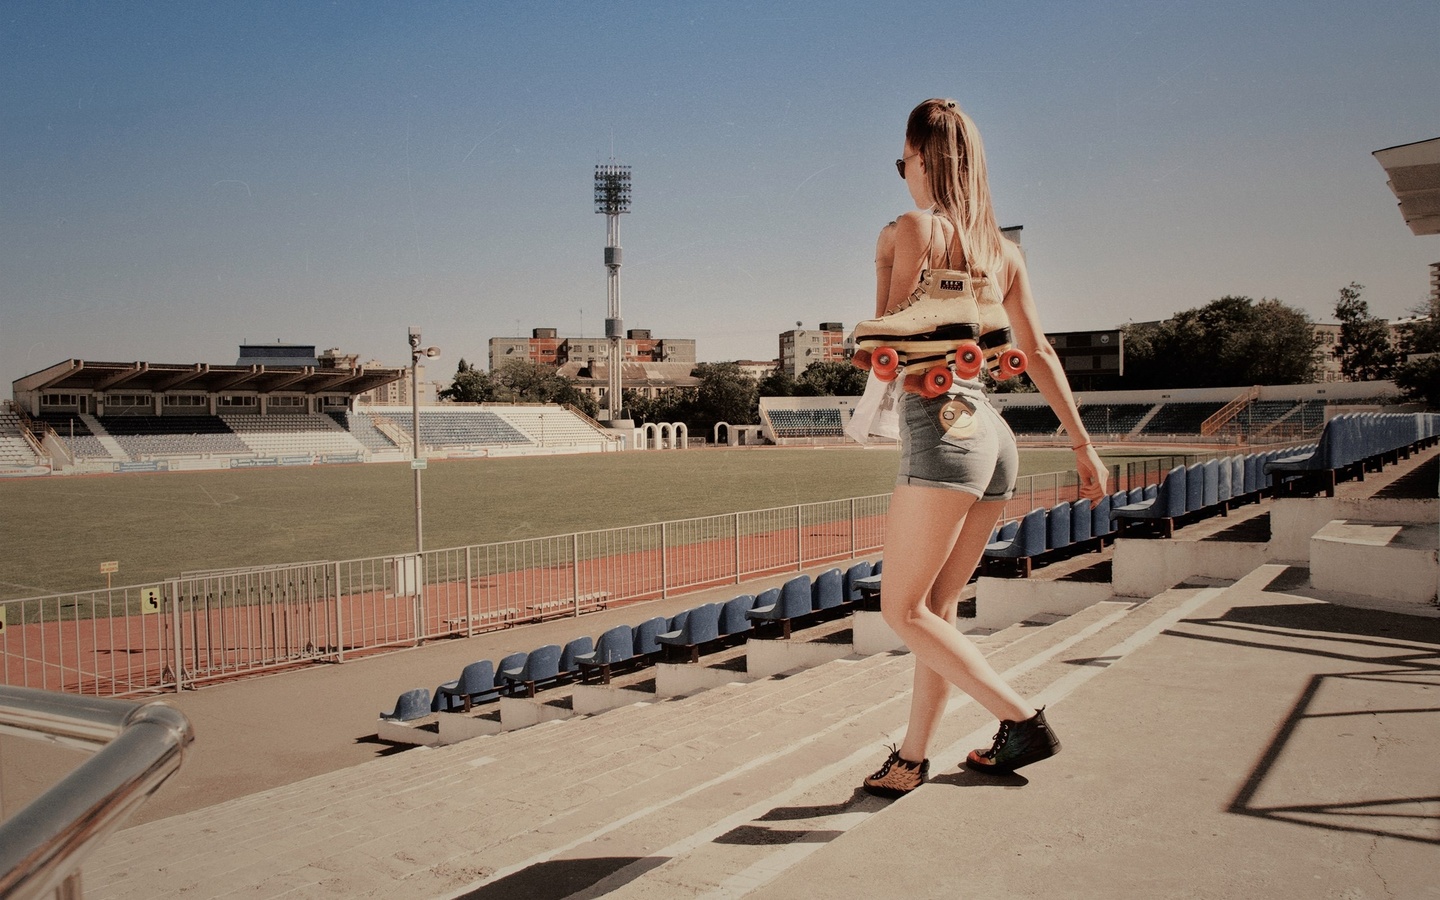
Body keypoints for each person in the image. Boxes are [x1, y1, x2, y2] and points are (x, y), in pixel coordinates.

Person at [861, 98, 1108, 798]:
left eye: (901, 160)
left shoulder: (911, 228)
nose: (901, 173)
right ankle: (911, 759)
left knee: (901, 611)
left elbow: (894, 343)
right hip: (994, 435)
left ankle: (1021, 720)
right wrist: (1083, 445)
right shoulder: (1005, 250)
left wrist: (883, 261)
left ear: (918, 156)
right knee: (935, 613)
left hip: (940, 428)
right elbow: (1037, 352)